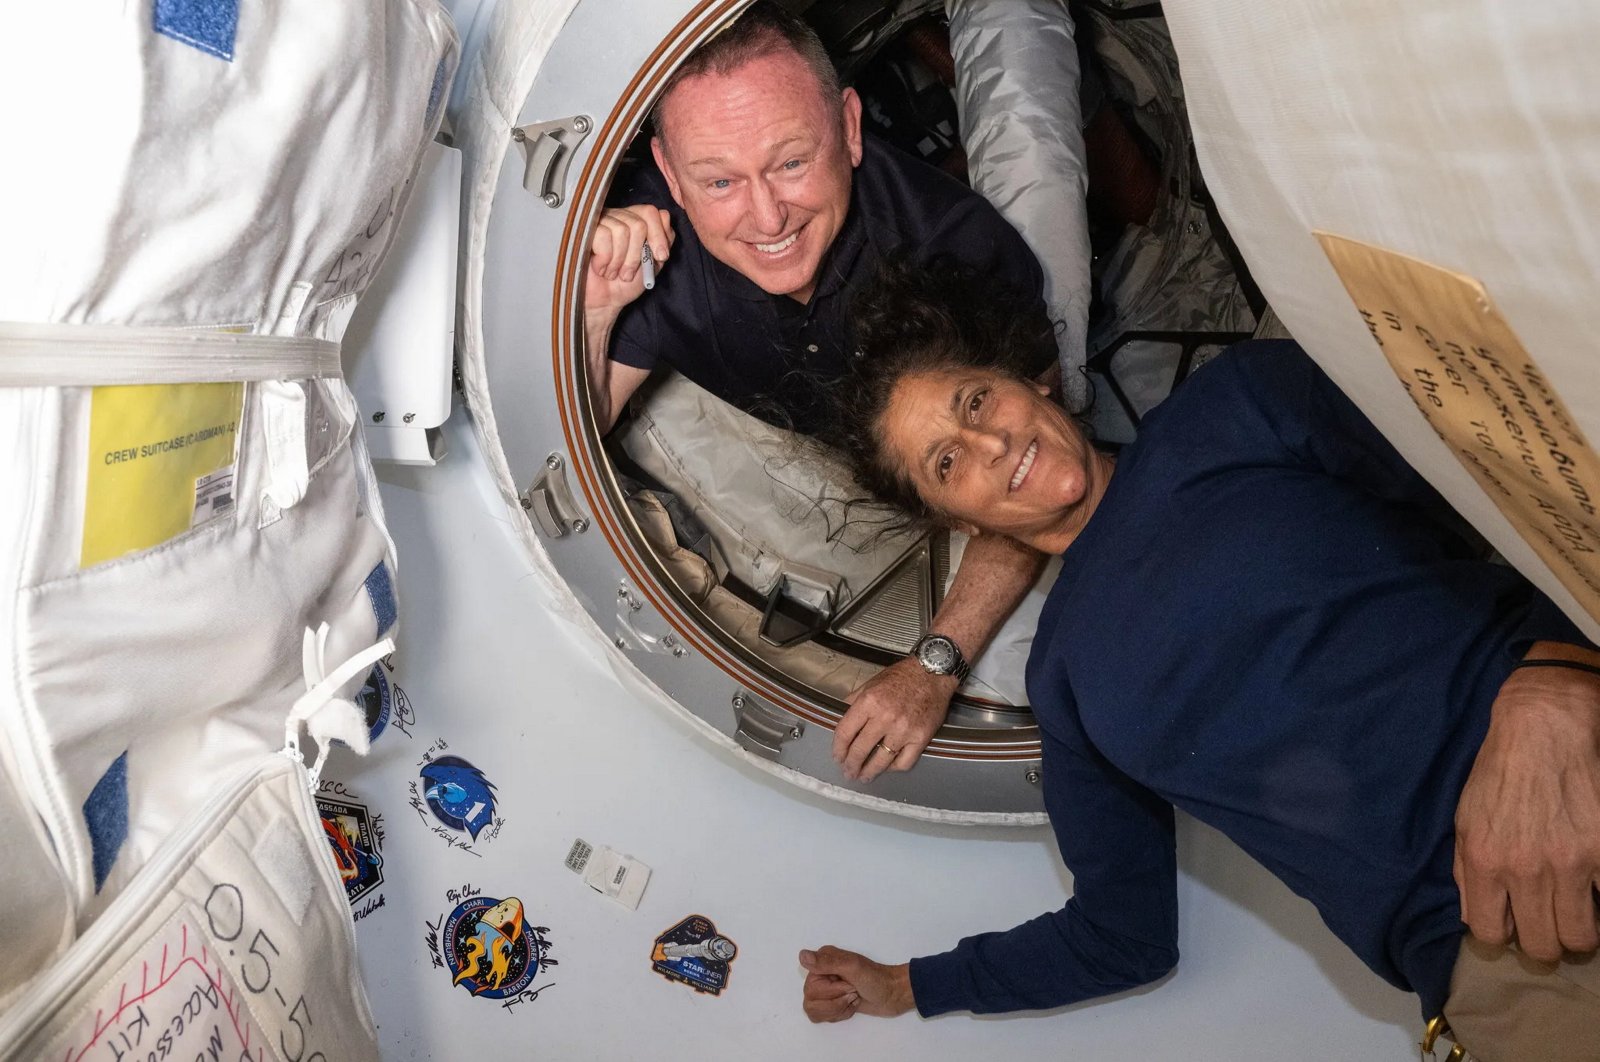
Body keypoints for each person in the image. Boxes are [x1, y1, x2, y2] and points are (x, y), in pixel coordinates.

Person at [796, 263, 1600, 1061]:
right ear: (955, 521)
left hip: (1574, 758)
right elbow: (1122, 936)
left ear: (1032, 382)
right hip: (1504, 958)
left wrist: (1558, 679)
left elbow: (1526, 484)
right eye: (947, 462)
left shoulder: (1238, 404)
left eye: (976, 400)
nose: (991, 441)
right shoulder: (1066, 684)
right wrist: (908, 986)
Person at [583, 2, 1065, 781]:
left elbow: (1039, 472)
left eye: (791, 162)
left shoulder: (958, 252)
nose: (766, 214)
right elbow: (583, 422)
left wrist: (933, 666)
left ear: (848, 126)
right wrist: (600, 306)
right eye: (718, 180)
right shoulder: (654, 245)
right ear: (670, 174)